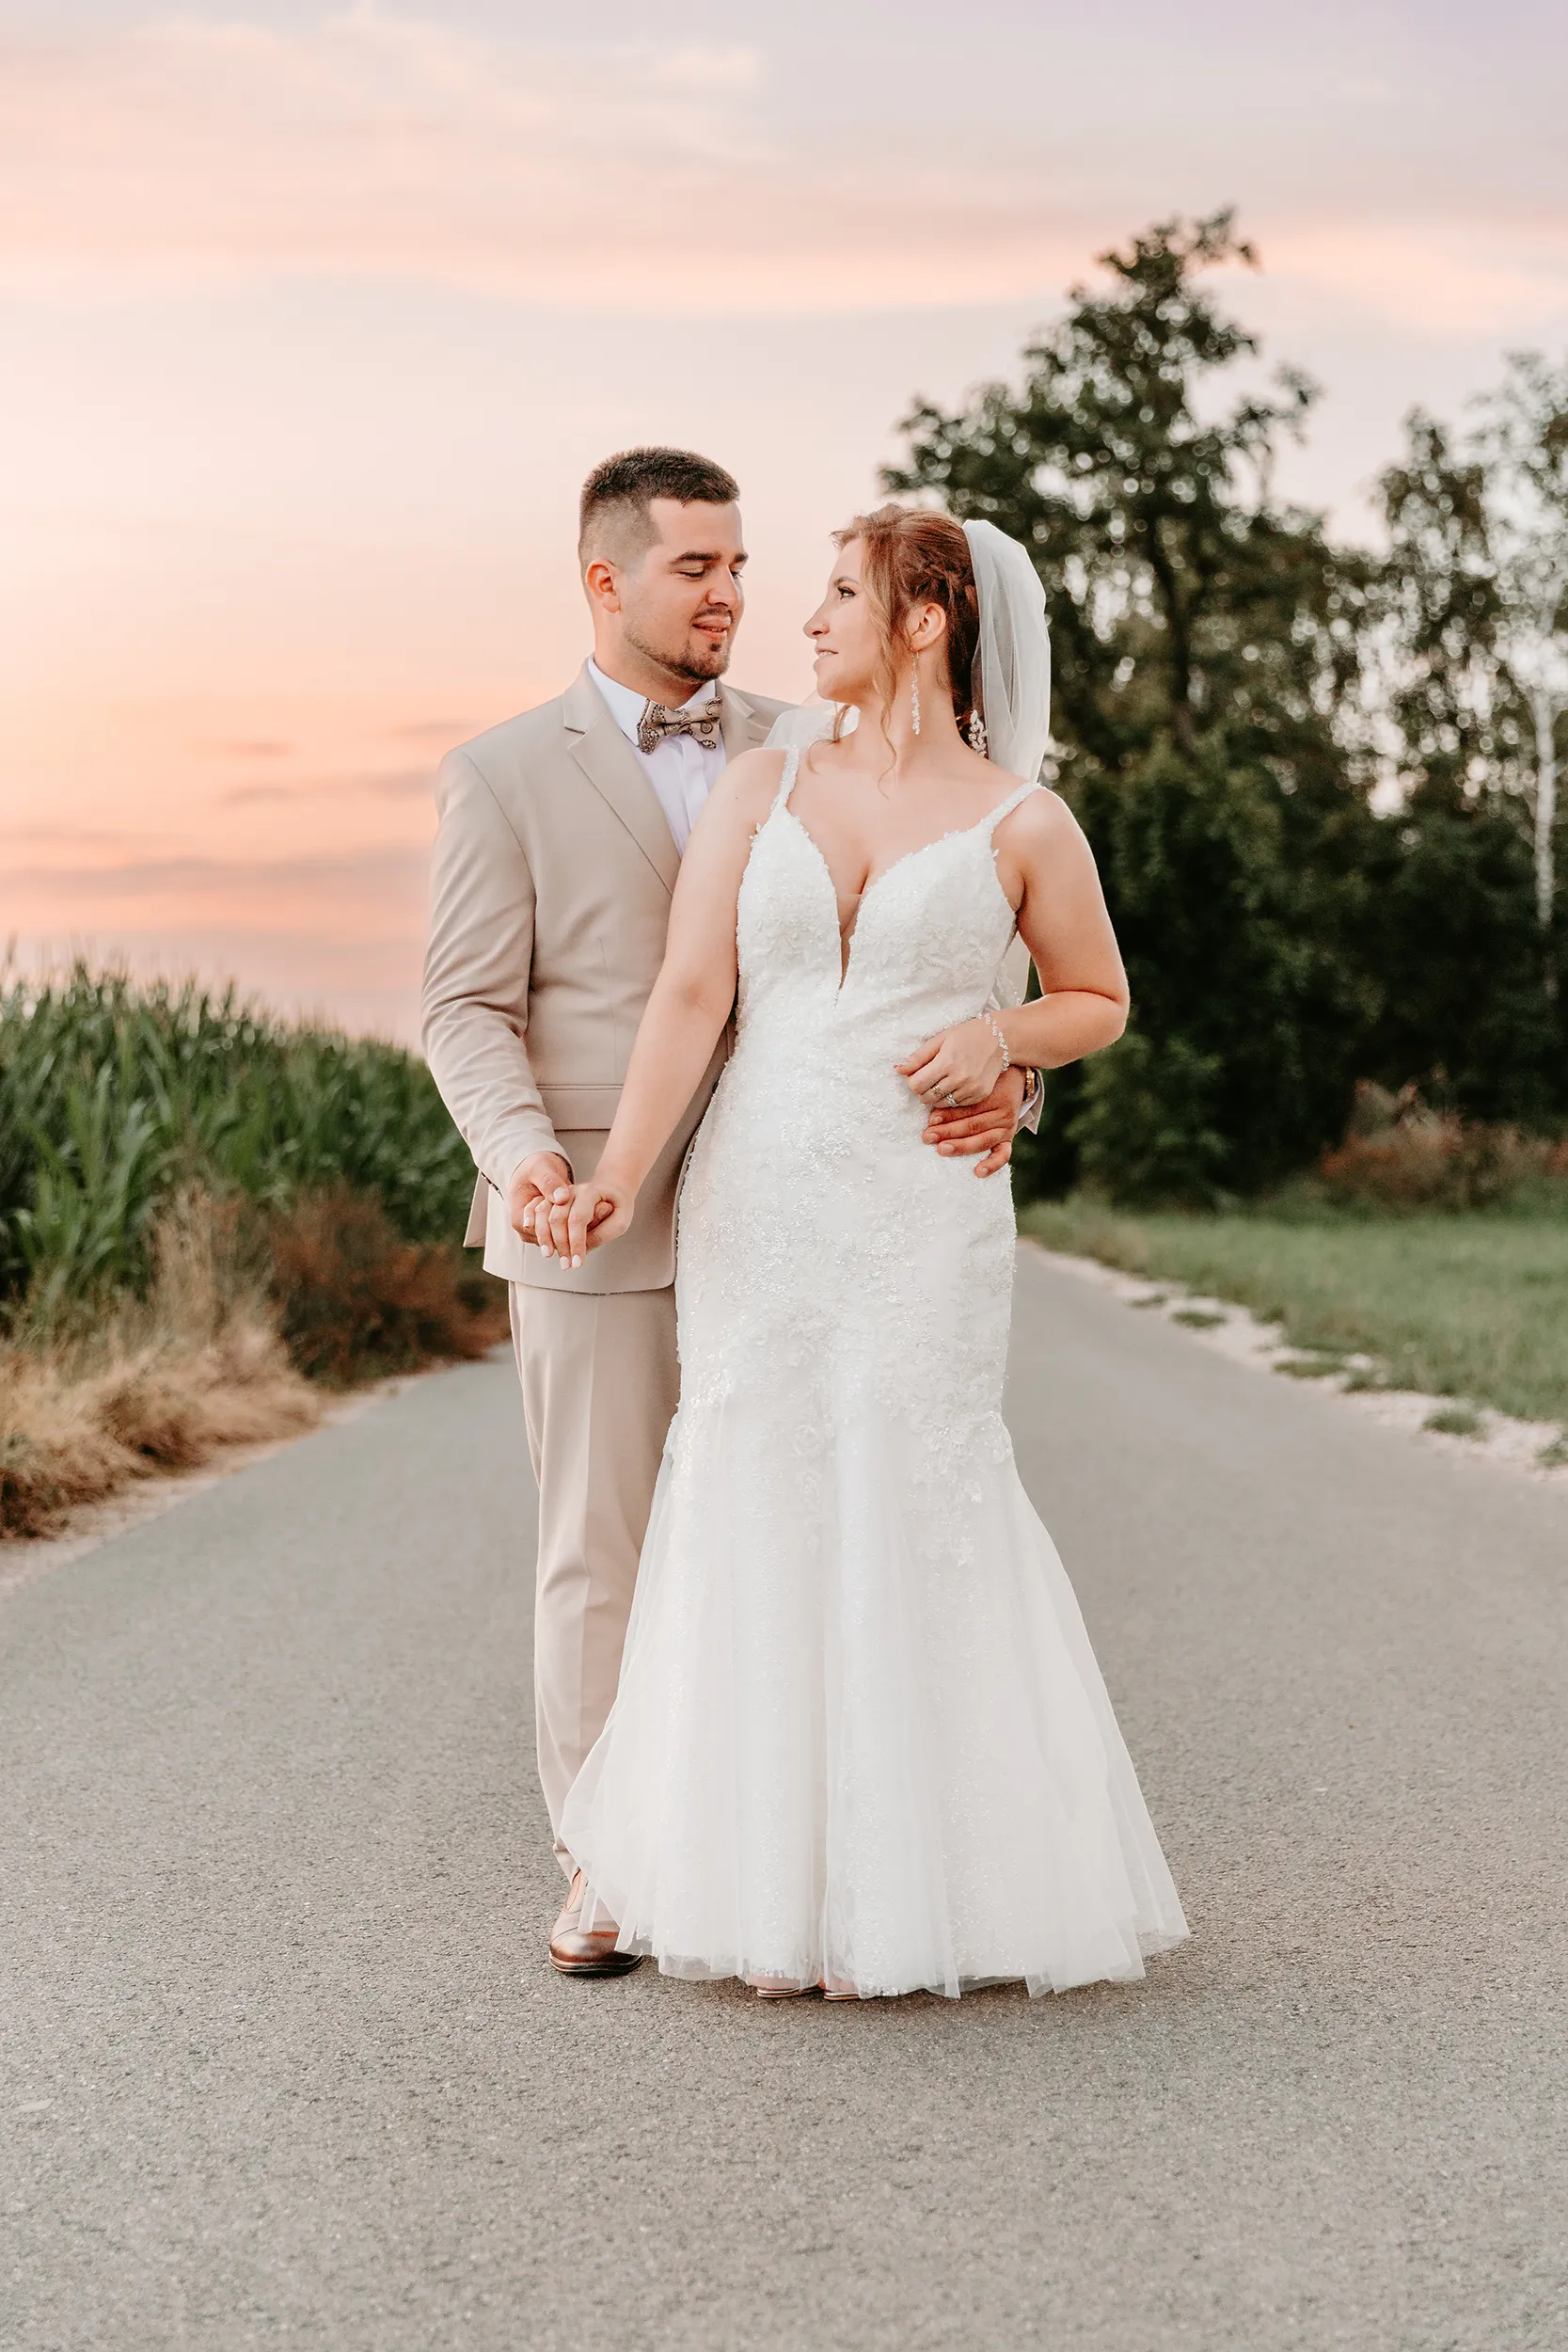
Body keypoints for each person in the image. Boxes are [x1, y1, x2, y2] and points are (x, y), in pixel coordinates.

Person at [548, 504, 1190, 1999]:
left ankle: (925, 1885)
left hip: (920, 1211)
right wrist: (615, 1180)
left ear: (925, 620)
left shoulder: (1023, 821)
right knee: (752, 1481)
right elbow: (691, 992)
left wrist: (1002, 1036)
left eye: (841, 593)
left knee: (909, 1480)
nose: (808, 619)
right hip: (756, 1199)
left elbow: (1096, 997)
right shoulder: (761, 784)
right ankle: (741, 1877)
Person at [422, 453, 1037, 1977]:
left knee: (787, 1531)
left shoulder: (812, 739)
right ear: (605, 581)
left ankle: (793, 1854)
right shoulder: (501, 773)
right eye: (696, 568)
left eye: (742, 565)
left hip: (815, 1199)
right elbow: (462, 1009)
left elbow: (958, 943)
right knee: (606, 1550)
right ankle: (603, 1863)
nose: (732, 597)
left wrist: (1004, 1086)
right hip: (597, 1207)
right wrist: (529, 1165)